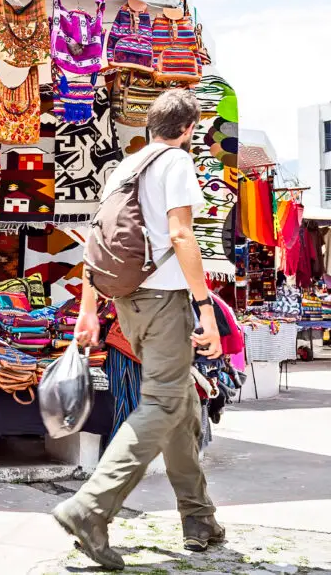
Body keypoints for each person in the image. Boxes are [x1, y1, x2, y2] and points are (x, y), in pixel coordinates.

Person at [52, 88, 224, 570]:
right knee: (164, 403)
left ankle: (199, 518)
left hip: (128, 302)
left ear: (149, 125)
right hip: (165, 301)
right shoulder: (176, 162)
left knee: (180, 404)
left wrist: (89, 310)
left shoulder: (124, 168)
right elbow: (182, 234)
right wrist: (206, 308)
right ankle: (90, 509)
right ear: (188, 129)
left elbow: (96, 243)